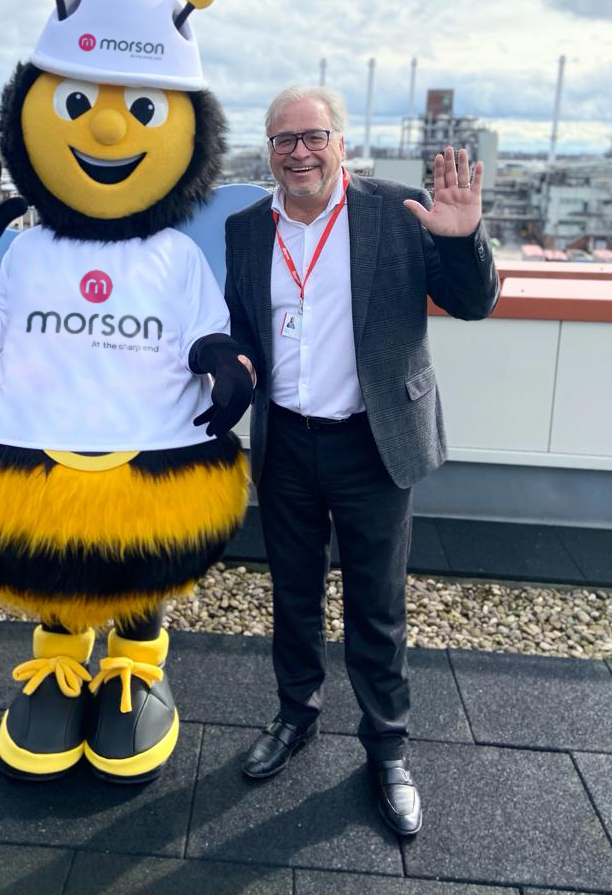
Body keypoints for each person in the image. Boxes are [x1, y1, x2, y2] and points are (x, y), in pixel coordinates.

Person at [224, 86, 499, 836]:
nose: (300, 152)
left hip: (372, 441)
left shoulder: (399, 211)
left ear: (341, 143)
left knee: (376, 607)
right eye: (284, 139)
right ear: (269, 150)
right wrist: (234, 364)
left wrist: (463, 240)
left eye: (314, 136)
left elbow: (473, 303)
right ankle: (296, 715)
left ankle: (387, 748)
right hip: (285, 439)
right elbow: (242, 323)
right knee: (293, 595)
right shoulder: (247, 229)